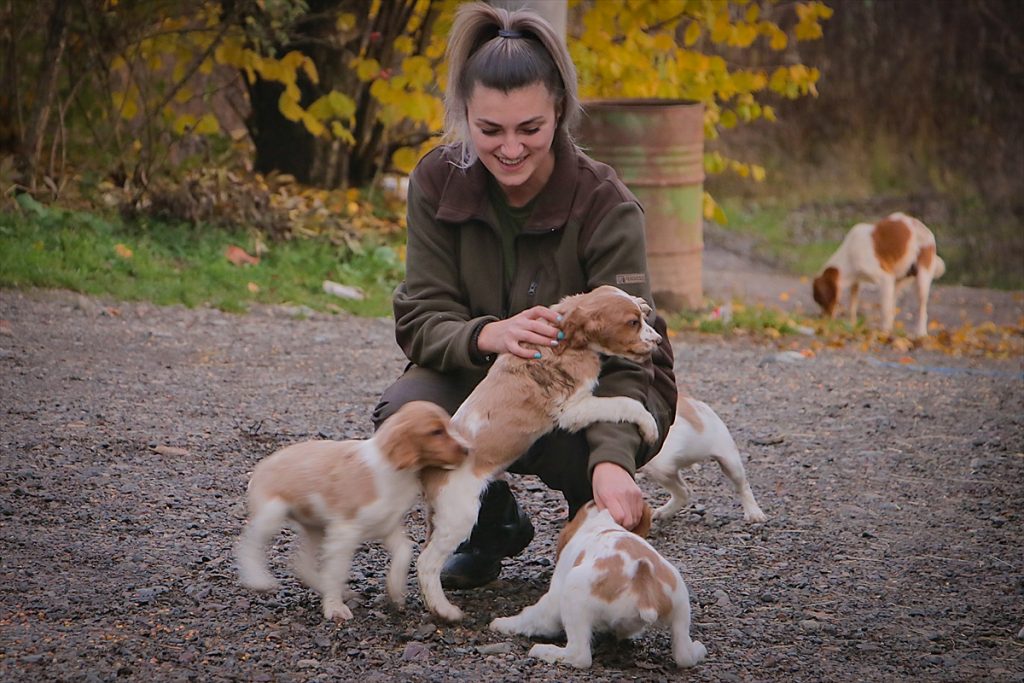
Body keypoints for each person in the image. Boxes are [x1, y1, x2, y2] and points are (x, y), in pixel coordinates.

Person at [371, 2, 678, 589]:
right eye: (489, 130)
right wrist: (489, 333)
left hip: (600, 379)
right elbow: (420, 316)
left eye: (529, 129)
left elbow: (632, 356)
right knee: (405, 415)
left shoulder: (606, 204)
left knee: (584, 445)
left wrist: (612, 460)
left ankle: (589, 523)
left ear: (558, 111)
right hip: (487, 369)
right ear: (465, 115)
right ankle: (490, 529)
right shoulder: (436, 179)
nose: (510, 149)